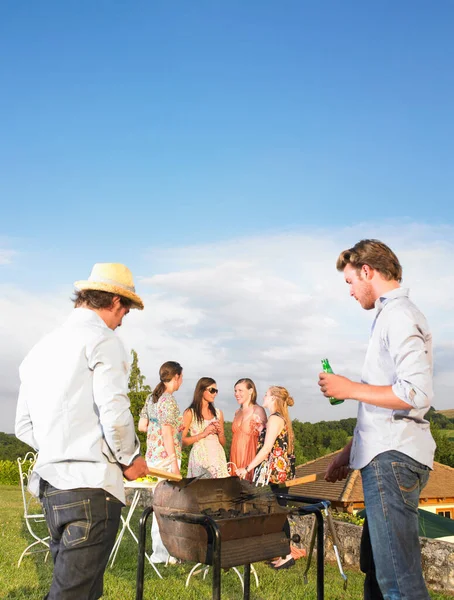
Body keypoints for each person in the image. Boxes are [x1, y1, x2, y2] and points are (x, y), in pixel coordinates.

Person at [15, 263, 149, 600]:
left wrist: (60, 445)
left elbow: (23, 426)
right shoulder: (103, 340)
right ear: (116, 301)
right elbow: (115, 413)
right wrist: (130, 457)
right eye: (125, 313)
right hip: (90, 488)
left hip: (51, 488)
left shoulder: (38, 350)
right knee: (72, 594)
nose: (122, 322)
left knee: (84, 591)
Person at [318, 239, 435, 600]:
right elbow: (387, 401)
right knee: (377, 576)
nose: (351, 293)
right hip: (386, 456)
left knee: (399, 584)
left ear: (367, 271)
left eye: (351, 282)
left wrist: (350, 387)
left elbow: (416, 393)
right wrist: (348, 452)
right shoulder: (389, 315)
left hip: (393, 461)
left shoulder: (398, 314)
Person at [237, 385, 296, 570]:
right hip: (279, 472)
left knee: (278, 514)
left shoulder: (274, 418)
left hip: (275, 474)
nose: (263, 396)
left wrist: (247, 467)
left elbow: (266, 449)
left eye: (266, 394)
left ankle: (286, 555)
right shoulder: (278, 419)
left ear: (273, 399)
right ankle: (282, 554)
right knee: (277, 512)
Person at [138, 361, 183, 564]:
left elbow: (142, 426)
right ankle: (163, 553)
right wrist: (174, 463)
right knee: (167, 507)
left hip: (152, 457)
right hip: (166, 459)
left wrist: (155, 430)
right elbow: (166, 431)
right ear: (176, 377)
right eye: (181, 377)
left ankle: (160, 551)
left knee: (159, 505)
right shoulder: (168, 400)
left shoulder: (151, 398)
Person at [182, 377, 229, 478]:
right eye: (212, 390)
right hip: (200, 459)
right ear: (201, 390)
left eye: (216, 391)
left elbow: (223, 442)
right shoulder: (190, 413)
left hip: (218, 457)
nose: (215, 394)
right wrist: (204, 433)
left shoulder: (218, 413)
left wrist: (220, 433)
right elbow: (182, 441)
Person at [229, 378, 267, 481]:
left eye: (240, 390)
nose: (237, 394)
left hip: (250, 456)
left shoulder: (258, 410)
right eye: (235, 391)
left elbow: (265, 440)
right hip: (235, 456)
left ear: (250, 391)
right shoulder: (237, 412)